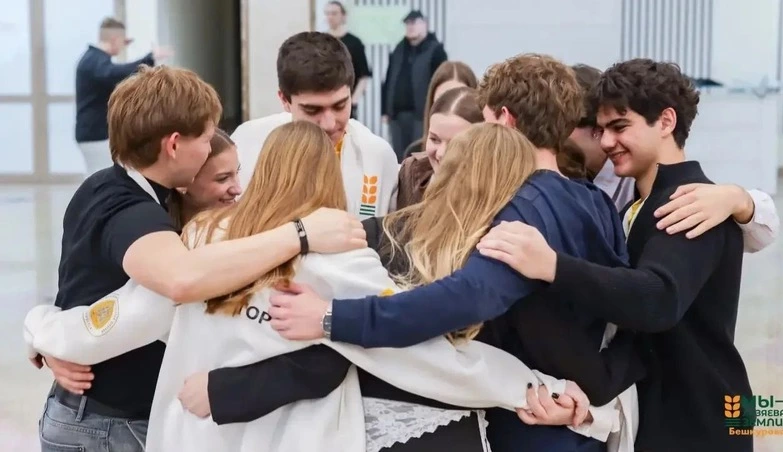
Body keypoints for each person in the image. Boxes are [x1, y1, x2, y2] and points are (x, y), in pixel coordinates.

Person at [29, 121, 607, 452]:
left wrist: (42, 331)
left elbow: (111, 321)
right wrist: (534, 386)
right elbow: (423, 352)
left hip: (196, 435)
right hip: (291, 438)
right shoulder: (340, 256)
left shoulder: (203, 238)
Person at [266, 54, 643, 451]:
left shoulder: (521, 208)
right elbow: (622, 312)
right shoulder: (596, 202)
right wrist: (597, 387)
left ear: (504, 120)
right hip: (579, 425)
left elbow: (462, 299)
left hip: (526, 425)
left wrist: (331, 317)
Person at [35, 65, 364, 452]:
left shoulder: (115, 190)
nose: (235, 187)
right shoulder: (131, 210)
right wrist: (301, 234)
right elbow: (179, 281)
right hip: (106, 425)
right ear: (174, 145)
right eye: (207, 140)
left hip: (105, 416)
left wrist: (42, 330)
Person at [477, 59, 755, 452]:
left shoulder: (692, 203)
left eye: (620, 127)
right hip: (665, 412)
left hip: (704, 417)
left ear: (666, 121)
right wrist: (581, 398)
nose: (607, 142)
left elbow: (657, 299)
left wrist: (551, 265)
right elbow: (634, 336)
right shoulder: (636, 206)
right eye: (600, 129)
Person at [26, 127, 241, 369]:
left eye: (237, 173)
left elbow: (88, 338)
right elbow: (96, 332)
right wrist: (42, 330)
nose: (238, 188)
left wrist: (38, 325)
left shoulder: (104, 189)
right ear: (186, 180)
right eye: (222, 178)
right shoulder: (166, 246)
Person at [569, 64, 779, 251]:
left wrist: (737, 199)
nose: (607, 141)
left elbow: (762, 231)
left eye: (618, 127)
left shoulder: (639, 170)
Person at [232, 31, 398, 219]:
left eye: (340, 106)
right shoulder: (247, 145)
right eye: (312, 110)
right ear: (284, 100)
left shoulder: (377, 156)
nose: (329, 124)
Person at [75, 17, 171, 176]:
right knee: (101, 176)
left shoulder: (93, 60)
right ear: (114, 39)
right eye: (121, 41)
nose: (122, 46)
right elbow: (115, 74)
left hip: (93, 132)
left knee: (99, 175)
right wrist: (149, 59)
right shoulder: (94, 62)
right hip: (96, 134)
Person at [396, 61, 478, 208]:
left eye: (455, 142)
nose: (441, 153)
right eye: (434, 139)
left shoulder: (496, 189)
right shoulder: (412, 172)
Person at [382, 10, 448, 160]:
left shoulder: (436, 50)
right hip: (397, 116)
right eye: (407, 23)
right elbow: (388, 80)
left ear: (424, 24)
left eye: (414, 22)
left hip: (422, 114)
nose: (410, 26)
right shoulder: (399, 49)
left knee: (419, 154)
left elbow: (442, 82)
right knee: (399, 156)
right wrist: (385, 110)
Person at [324, 1, 372, 119]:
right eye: (327, 13)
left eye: (334, 13)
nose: (330, 17)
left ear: (343, 16)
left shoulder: (354, 42)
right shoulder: (321, 41)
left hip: (345, 100)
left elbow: (364, 75)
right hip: (324, 99)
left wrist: (354, 100)